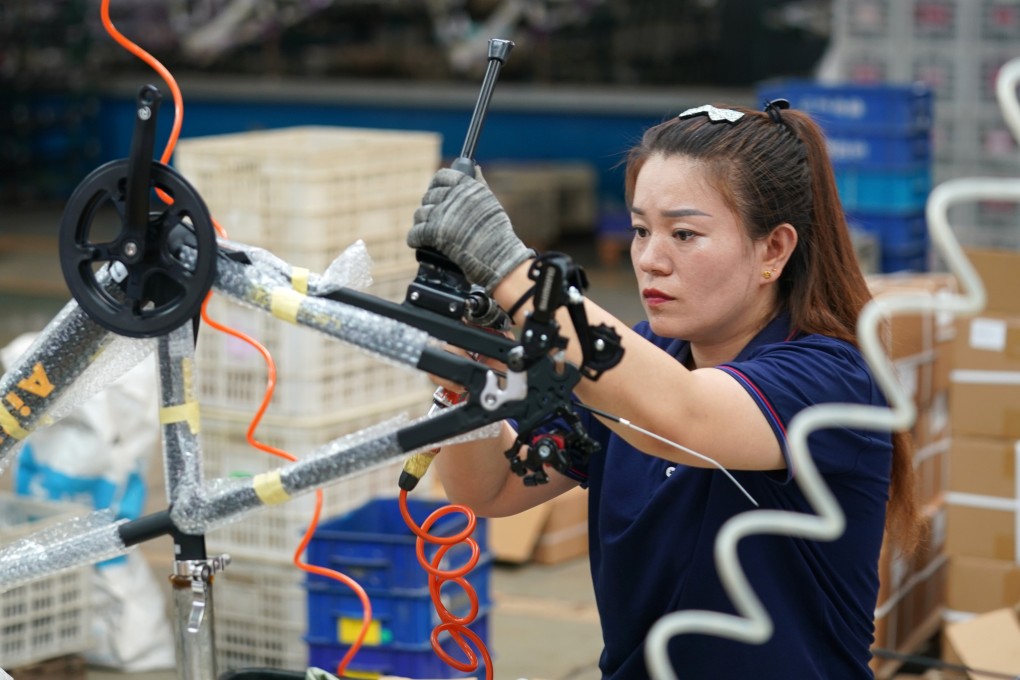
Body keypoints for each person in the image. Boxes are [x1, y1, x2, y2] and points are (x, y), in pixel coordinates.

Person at [407, 101, 920, 679]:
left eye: (684, 233)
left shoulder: (830, 378)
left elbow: (685, 418)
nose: (651, 260)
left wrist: (510, 269)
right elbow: (492, 489)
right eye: (640, 230)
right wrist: (465, 376)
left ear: (774, 250)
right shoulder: (639, 358)